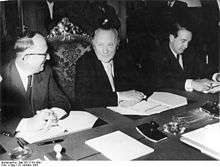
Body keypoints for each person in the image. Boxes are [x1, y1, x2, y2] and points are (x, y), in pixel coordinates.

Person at [1, 32, 71, 133]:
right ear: (26, 57)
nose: (48, 58)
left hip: (44, 135)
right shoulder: (3, 77)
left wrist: (52, 114)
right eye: (44, 54)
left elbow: (61, 100)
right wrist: (28, 124)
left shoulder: (45, 72)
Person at [75, 23, 148, 108]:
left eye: (110, 45)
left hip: (127, 110)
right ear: (93, 45)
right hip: (98, 114)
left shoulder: (124, 59)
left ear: (117, 45)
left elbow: (142, 83)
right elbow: (83, 98)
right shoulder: (85, 62)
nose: (105, 51)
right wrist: (120, 96)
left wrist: (137, 97)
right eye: (100, 45)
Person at [149, 22, 215, 93]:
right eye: (183, 41)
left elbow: (204, 68)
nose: (186, 46)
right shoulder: (157, 55)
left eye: (188, 42)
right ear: (171, 38)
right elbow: (160, 81)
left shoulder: (190, 51)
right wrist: (192, 83)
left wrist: (217, 76)